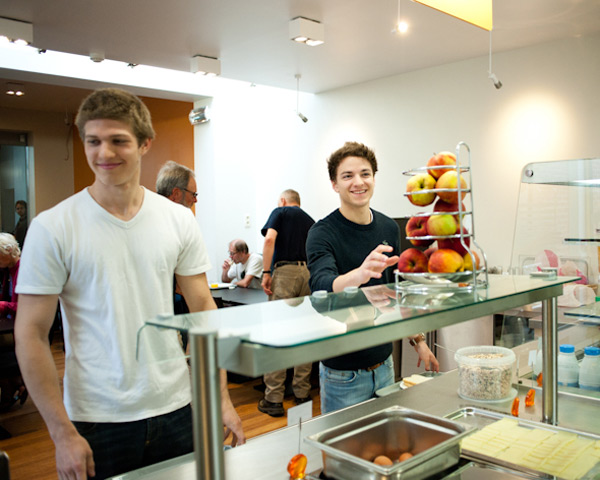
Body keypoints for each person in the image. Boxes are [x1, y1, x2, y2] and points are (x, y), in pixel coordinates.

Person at [14, 88, 245, 480]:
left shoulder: (177, 219)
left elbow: (204, 310)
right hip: (96, 418)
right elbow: (31, 333)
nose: (104, 153)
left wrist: (219, 397)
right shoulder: (53, 226)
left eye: (118, 141)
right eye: (93, 141)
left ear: (144, 144)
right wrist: (60, 433)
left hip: (176, 406)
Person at [306, 141, 439, 414]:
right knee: (345, 454)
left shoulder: (388, 227)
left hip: (384, 364)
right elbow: (321, 286)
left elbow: (396, 291)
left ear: (374, 179)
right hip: (343, 374)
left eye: (365, 174)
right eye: (348, 176)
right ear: (334, 184)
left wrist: (419, 340)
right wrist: (360, 274)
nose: (358, 182)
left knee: (384, 449)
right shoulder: (321, 232)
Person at [258, 189, 315, 417]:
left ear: (283, 200)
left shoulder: (280, 211)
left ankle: (273, 399)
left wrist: (265, 271)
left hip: (286, 274)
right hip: (309, 274)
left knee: (277, 334)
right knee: (304, 334)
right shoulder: (311, 220)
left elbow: (270, 238)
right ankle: (302, 395)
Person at [0, 233, 27, 411]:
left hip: (23, 327)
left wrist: (2, 306)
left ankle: (12, 387)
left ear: (9, 251)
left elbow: (26, 307)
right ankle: (16, 382)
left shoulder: (24, 269)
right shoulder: (8, 270)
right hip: (12, 324)